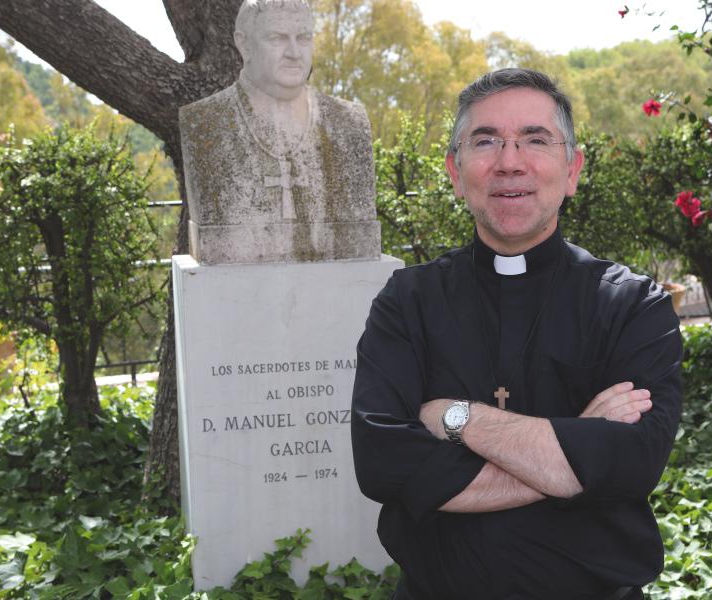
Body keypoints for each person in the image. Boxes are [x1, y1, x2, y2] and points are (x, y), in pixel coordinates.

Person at [351, 68, 683, 599]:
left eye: (535, 139)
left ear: (571, 170)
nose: (509, 161)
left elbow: (632, 461)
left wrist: (456, 418)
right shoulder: (406, 302)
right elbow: (382, 463)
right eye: (485, 141)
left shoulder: (631, 305)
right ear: (457, 174)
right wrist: (576, 447)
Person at [179, 0, 380, 264]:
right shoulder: (204, 124)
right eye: (277, 38)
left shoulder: (349, 123)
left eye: (304, 38)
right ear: (245, 45)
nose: (294, 53)